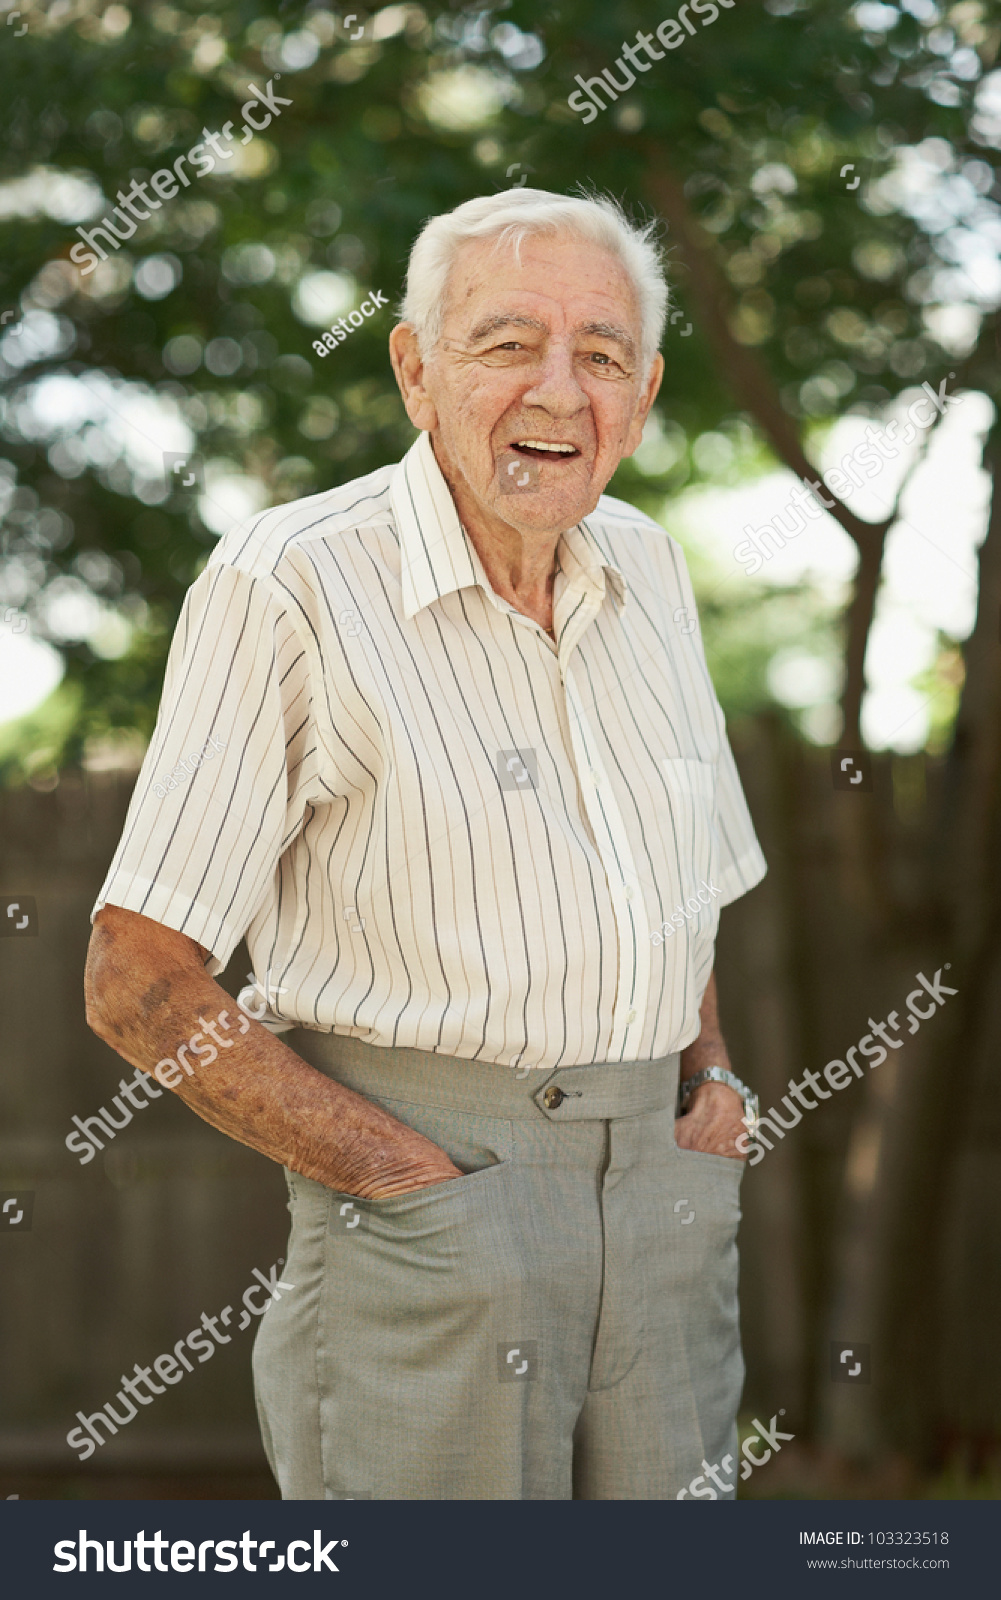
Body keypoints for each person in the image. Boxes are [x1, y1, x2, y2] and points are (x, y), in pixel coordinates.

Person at [85, 187, 766, 1500]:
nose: (559, 392)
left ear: (644, 389)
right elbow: (136, 979)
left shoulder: (651, 568)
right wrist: (409, 1182)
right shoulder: (287, 582)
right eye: (507, 344)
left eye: (602, 355)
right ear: (413, 369)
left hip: (664, 1210)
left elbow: (681, 886)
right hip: (432, 1204)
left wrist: (714, 1089)